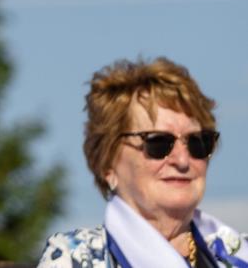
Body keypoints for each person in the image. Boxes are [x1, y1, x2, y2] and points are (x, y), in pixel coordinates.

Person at [37, 57, 245, 268]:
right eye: (158, 143)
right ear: (107, 164)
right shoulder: (77, 259)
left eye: (197, 142)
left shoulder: (239, 255)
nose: (182, 160)